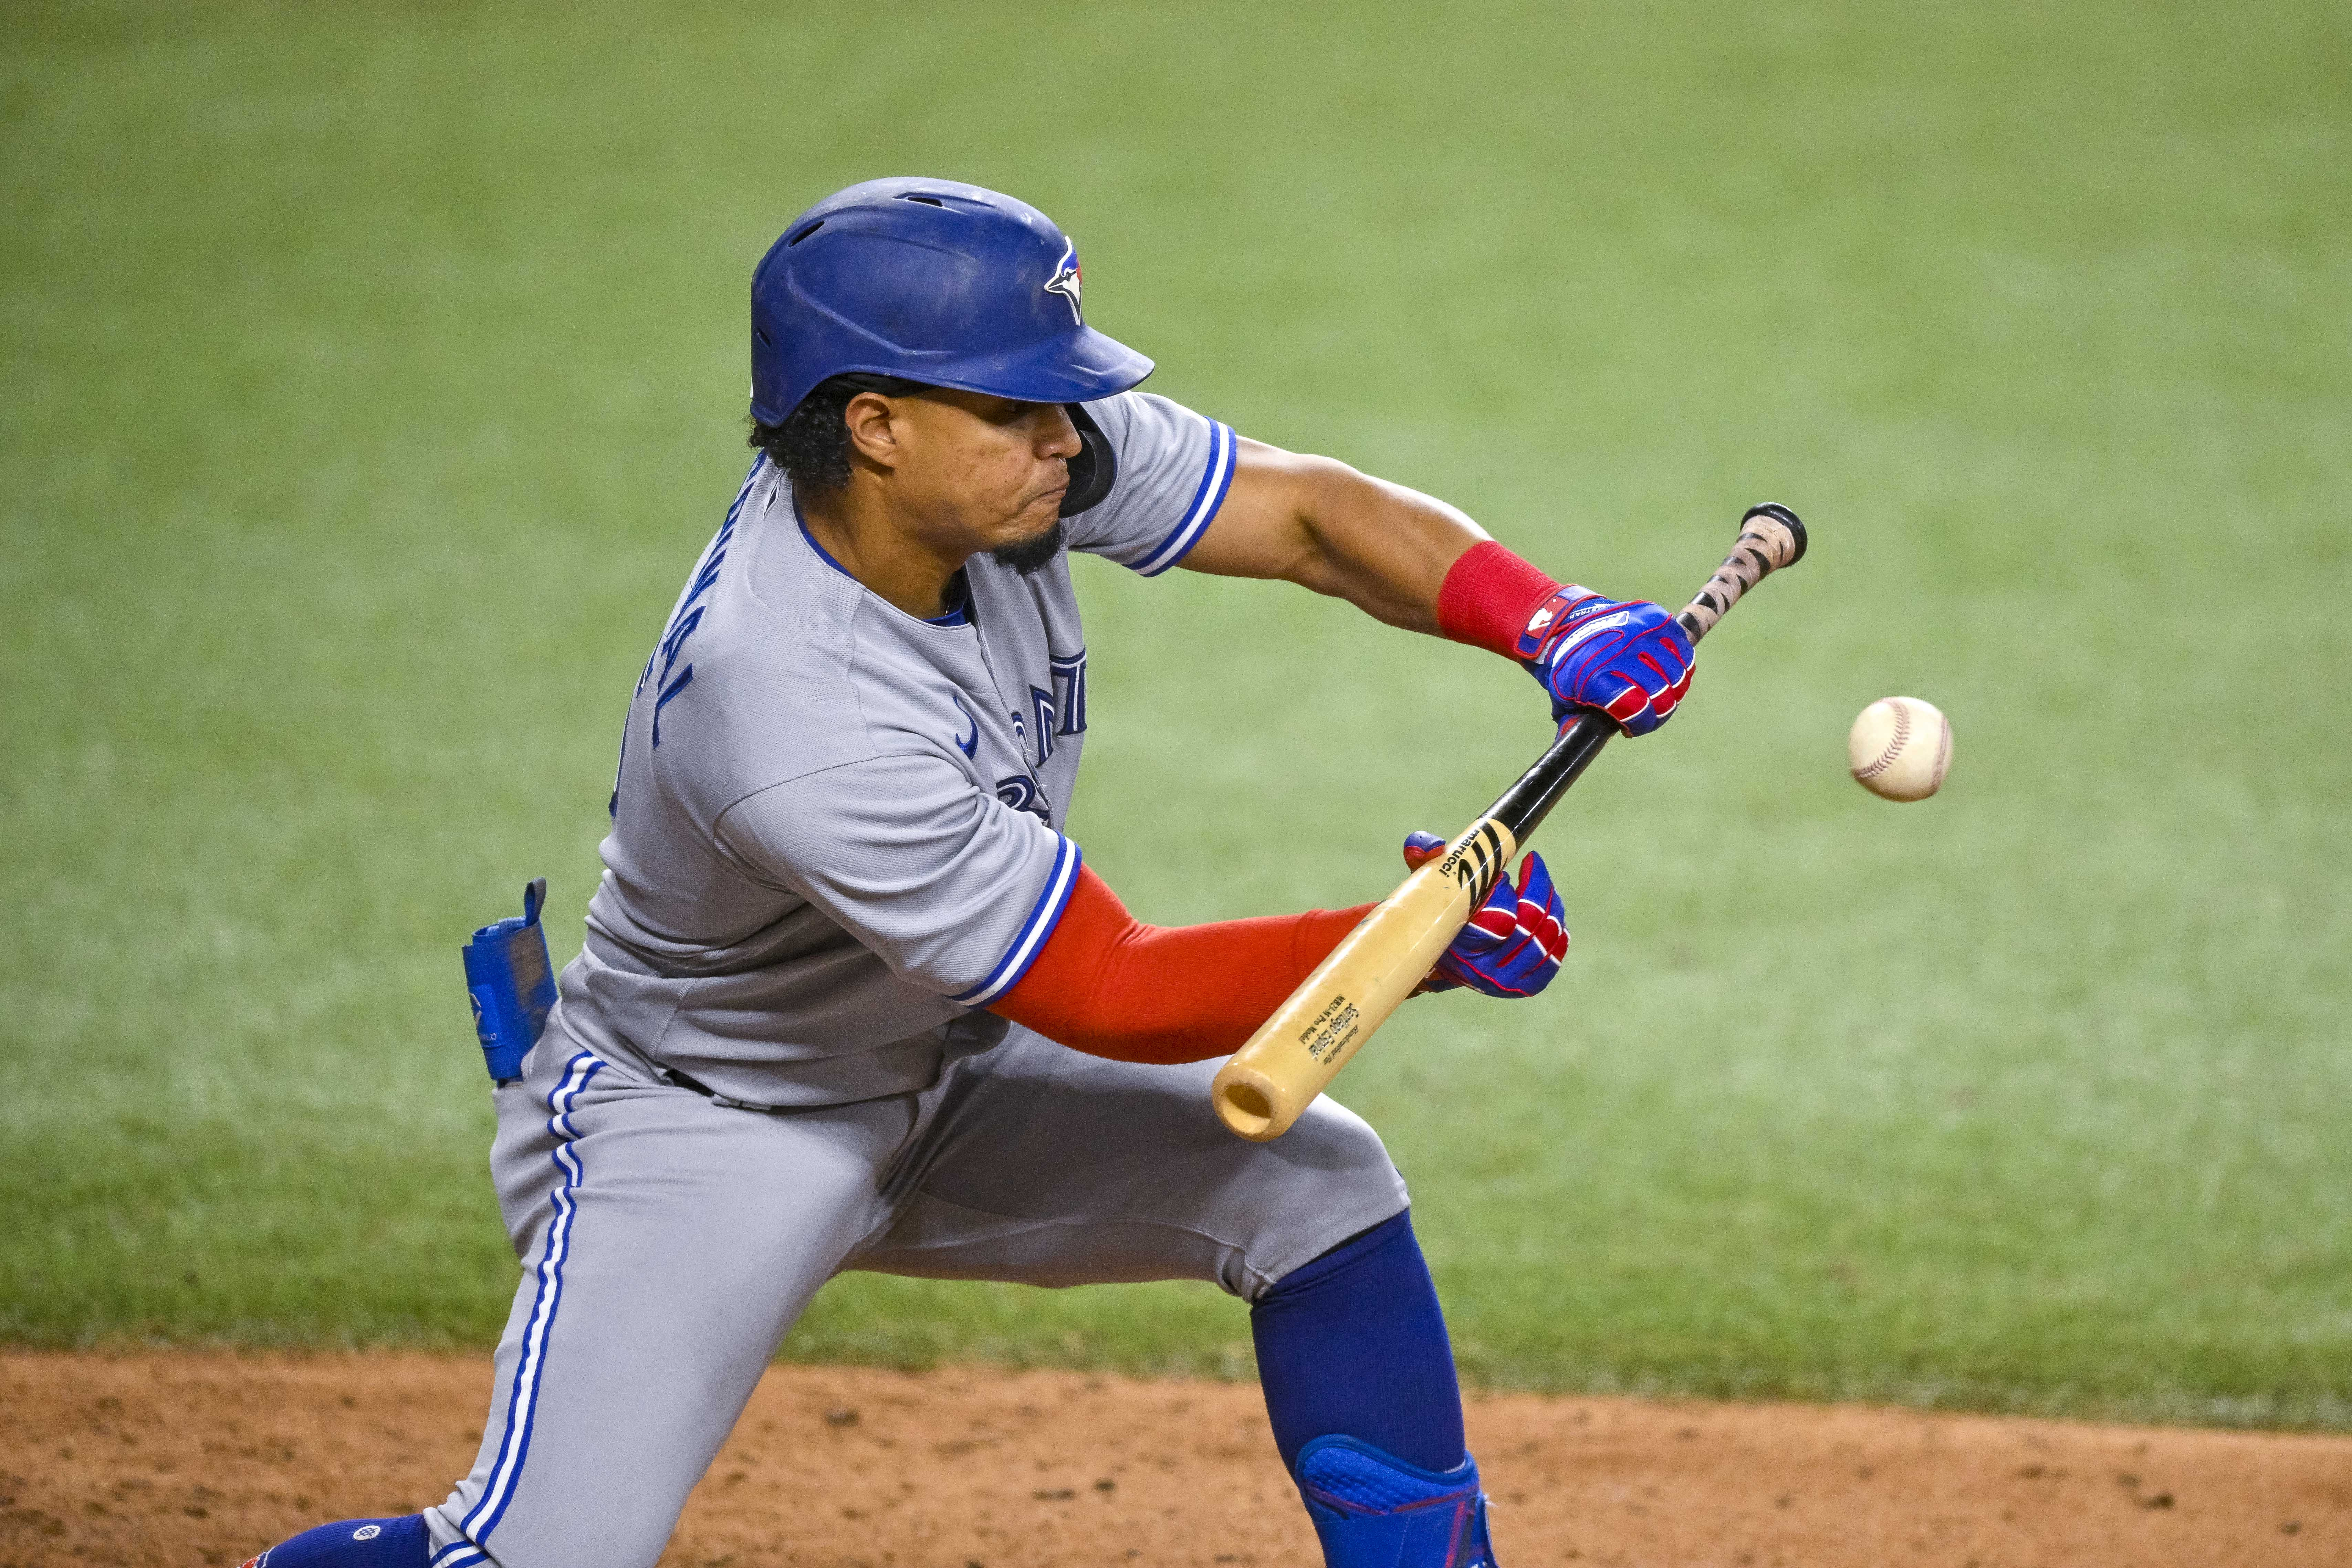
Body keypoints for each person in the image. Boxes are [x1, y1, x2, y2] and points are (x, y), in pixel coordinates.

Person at [243, 177, 1694, 1568]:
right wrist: (1415, 932)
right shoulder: (794, 704)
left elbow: (1306, 516)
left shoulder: (1000, 468)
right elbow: (1113, 988)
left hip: (943, 1061)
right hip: (713, 1124)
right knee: (525, 1556)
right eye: (1015, 405)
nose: (1066, 434)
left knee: (1321, 1188)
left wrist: (1544, 617)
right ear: (873, 427)